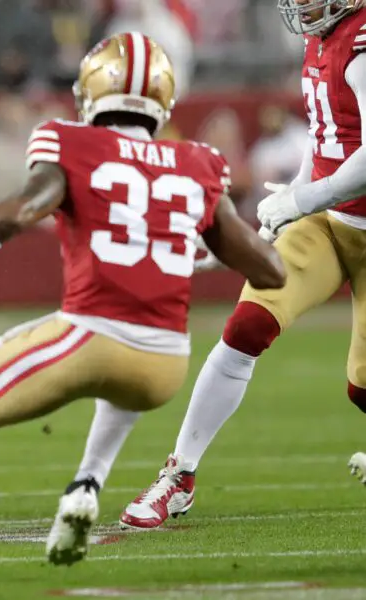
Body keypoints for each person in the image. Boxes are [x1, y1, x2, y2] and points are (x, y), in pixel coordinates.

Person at [0, 32, 285, 588]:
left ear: (91, 90)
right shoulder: (196, 161)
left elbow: (22, 211)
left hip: (89, 340)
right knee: (91, 358)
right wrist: (210, 247)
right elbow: (271, 273)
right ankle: (87, 485)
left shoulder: (69, 142)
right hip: (165, 364)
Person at [121, 0, 366, 530]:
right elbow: (326, 141)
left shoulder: (363, 40)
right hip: (327, 221)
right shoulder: (322, 37)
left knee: (362, 387)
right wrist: (295, 199)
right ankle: (179, 475)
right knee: (248, 325)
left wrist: (300, 201)